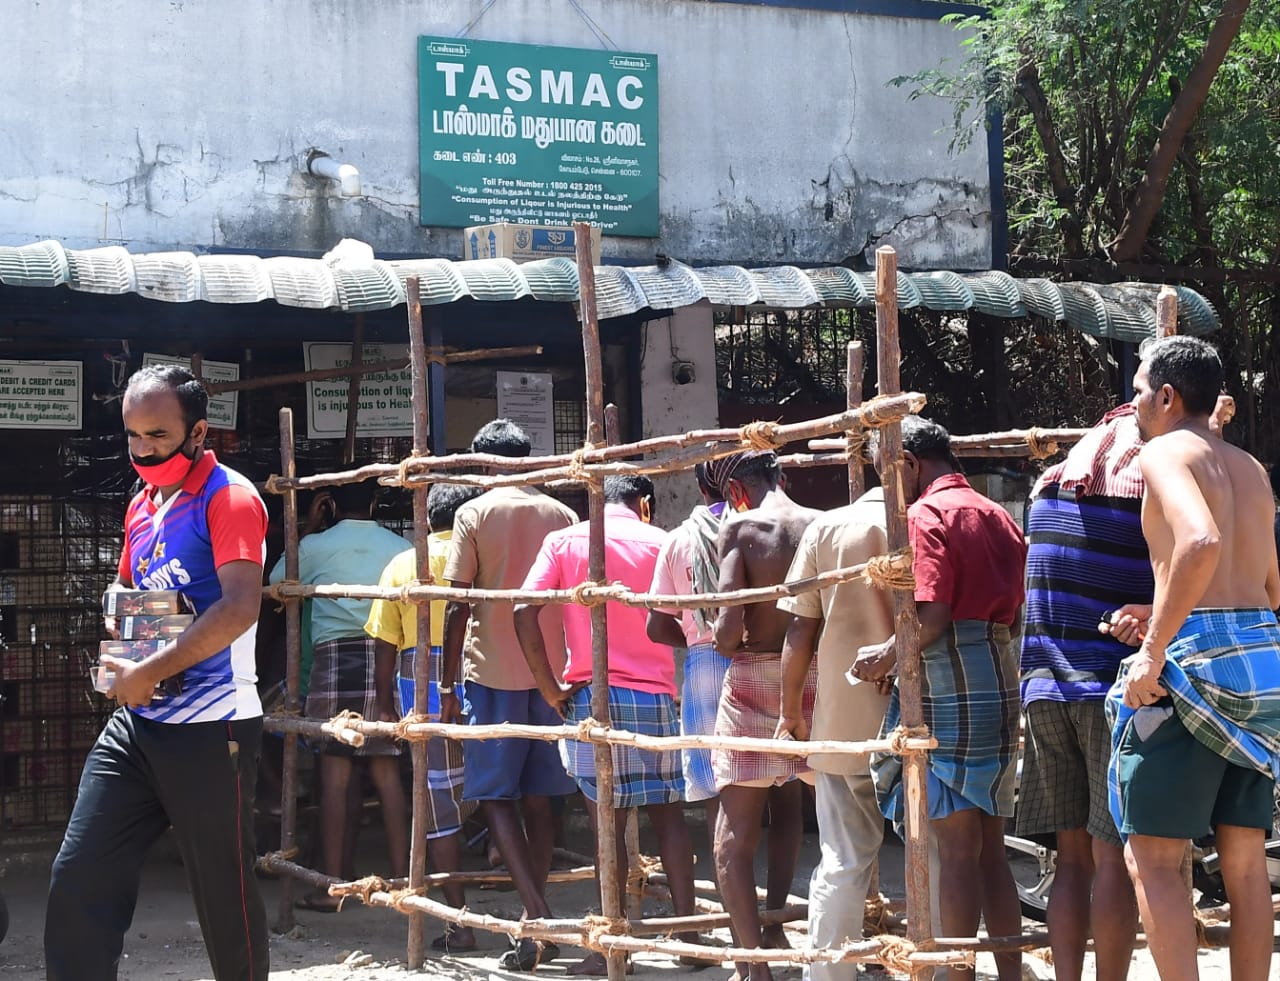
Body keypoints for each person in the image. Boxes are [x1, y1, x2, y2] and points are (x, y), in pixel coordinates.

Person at [46, 363, 269, 980]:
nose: (143, 451)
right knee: (80, 873)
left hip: (213, 725)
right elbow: (126, 590)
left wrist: (150, 668)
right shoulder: (141, 506)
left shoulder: (230, 497)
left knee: (225, 894)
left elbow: (240, 607)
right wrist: (120, 650)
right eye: (133, 436)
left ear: (197, 432)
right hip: (138, 725)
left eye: (158, 436)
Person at [1104, 336, 1280, 981]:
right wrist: (1165, 609)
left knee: (1150, 859)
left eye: (1139, 390)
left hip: (1195, 671)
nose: (1133, 403)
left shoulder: (1163, 452)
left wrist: (1153, 651)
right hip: (1262, 665)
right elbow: (1270, 589)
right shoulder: (1251, 467)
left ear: (1168, 397)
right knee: (1246, 865)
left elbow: (1199, 541)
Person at [854, 416, 1026, 981]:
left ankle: (957, 976)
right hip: (999, 676)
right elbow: (1012, 616)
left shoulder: (926, 515)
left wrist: (884, 655)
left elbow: (933, 617)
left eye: (886, 472)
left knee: (956, 851)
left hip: (950, 684)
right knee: (991, 850)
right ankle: (1009, 973)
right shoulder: (998, 515)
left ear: (908, 463)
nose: (887, 487)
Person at [516, 474, 698, 976]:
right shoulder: (663, 541)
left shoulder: (564, 541)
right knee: (669, 816)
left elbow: (523, 609)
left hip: (590, 695)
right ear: (645, 503)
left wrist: (548, 687)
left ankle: (611, 948)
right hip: (656, 695)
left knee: (607, 824)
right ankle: (689, 937)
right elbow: (688, 619)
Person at [442, 419, 579, 972]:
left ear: (484, 462)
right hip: (552, 674)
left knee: (494, 795)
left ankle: (537, 917)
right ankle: (534, 917)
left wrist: (447, 684)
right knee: (543, 796)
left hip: (492, 672)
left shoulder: (473, 514)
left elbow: (457, 605)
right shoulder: (562, 514)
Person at [1016, 404, 1146, 981]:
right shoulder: (1142, 496)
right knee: (1113, 854)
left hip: (1043, 686)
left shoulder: (1049, 491)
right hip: (1108, 689)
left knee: (1070, 859)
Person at [268, 477, 410, 909]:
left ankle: (333, 887)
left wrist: (309, 528)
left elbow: (277, 581)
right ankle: (404, 880)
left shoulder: (315, 546)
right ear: (374, 502)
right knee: (387, 771)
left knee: (335, 773)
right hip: (387, 654)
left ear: (329, 505)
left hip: (335, 656)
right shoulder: (400, 546)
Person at [709, 450, 821, 981]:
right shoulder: (820, 524)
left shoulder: (738, 528)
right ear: (782, 476)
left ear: (736, 491)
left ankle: (755, 968)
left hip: (753, 677)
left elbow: (729, 631)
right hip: (814, 676)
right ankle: (808, 937)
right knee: (830, 819)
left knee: (733, 837)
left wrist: (716, 634)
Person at [775, 486, 894, 981]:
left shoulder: (825, 528)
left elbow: (800, 629)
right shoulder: (923, 519)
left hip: (845, 717)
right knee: (938, 850)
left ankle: (828, 975)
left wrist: (790, 713)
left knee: (843, 858)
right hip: (919, 711)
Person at [364, 482, 481, 950]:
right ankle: (530, 908)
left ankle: (459, 922)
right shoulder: (480, 556)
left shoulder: (403, 564)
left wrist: (385, 703)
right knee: (499, 787)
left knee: (437, 802)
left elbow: (383, 642)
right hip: (485, 671)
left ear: (427, 520)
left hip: (424, 683)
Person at [645, 461, 731, 840]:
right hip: (763, 653)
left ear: (701, 487)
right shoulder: (762, 528)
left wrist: (699, 637)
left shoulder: (680, 540)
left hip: (705, 663)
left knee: (716, 789)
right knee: (781, 788)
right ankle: (780, 881)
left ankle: (729, 878)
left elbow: (657, 625)